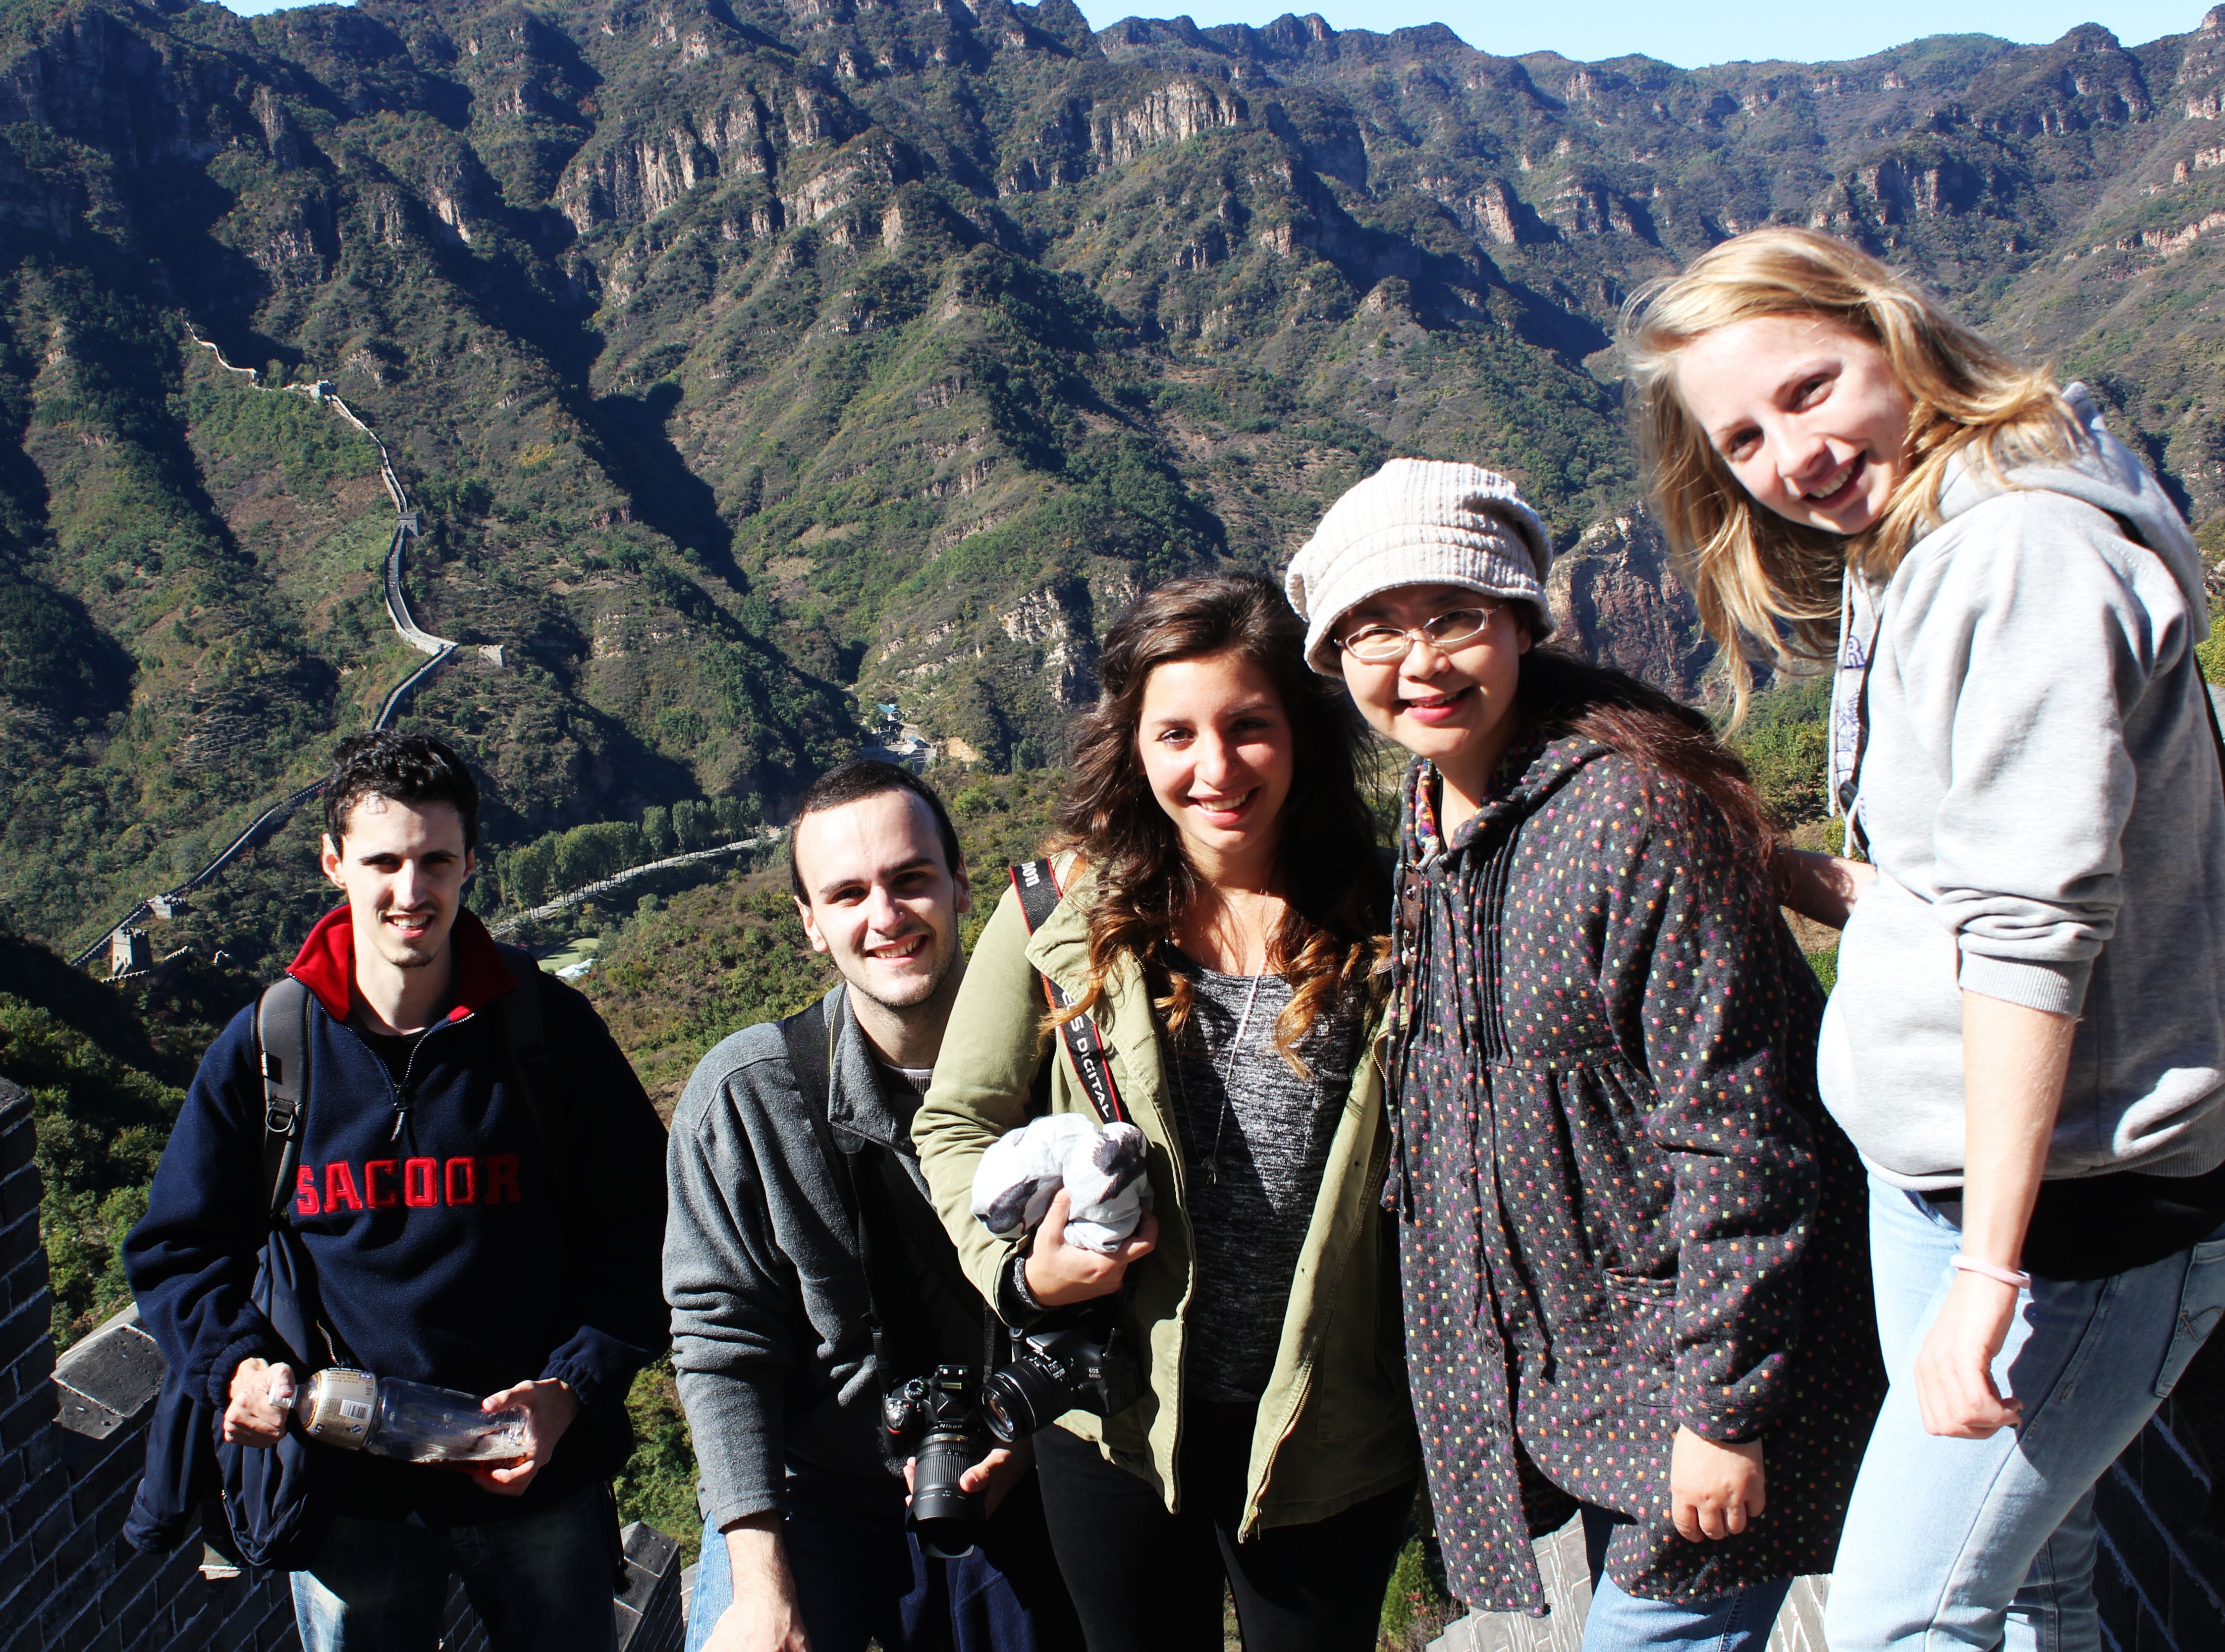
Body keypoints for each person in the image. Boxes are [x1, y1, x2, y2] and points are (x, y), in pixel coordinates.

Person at [1626, 225, 2225, 1652]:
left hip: (2071, 1212)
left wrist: (1990, 1277)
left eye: (1813, 388)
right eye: (1745, 438)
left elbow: (2032, 935)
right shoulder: (1920, 536)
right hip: (1947, 1184)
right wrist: (1776, 870)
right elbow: (1954, 889)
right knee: (2037, 1589)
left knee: (1905, 1616)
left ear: (1893, 335)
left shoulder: (2018, 552)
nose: (1796, 455)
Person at [1283, 457, 1880, 1649]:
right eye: (1375, 630)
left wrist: (1725, 1414)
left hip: (1703, 1375)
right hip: (1595, 1376)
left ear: (1521, 621)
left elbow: (1741, 1138)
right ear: (1336, 657)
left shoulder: (1633, 815)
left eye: (1455, 616)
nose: (1420, 662)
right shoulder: (1437, 809)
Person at [914, 574, 1419, 1652]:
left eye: (1249, 727)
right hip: (1119, 1427)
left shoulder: (1393, 921)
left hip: (1329, 1426)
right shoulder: (1057, 914)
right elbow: (954, 1124)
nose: (1215, 768)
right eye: (1177, 734)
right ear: (1133, 746)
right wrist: (1026, 1275)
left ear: (1302, 732)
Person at [125, 730, 669, 1652]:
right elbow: (178, 1248)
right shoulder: (271, 1047)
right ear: (334, 863)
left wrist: (571, 1390)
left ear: (470, 865)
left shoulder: (546, 1031)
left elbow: (645, 1230)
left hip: (532, 1474)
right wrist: (238, 1368)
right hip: (348, 1491)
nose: (411, 892)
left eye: (436, 862)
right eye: (383, 862)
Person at [666, 760, 1081, 1652]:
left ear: (963, 885)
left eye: (910, 879)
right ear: (811, 924)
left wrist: (1036, 1434)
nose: (885, 917)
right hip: (823, 1487)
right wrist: (760, 1587)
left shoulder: (1069, 1064)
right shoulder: (747, 1098)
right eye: (848, 894)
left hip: (1037, 1454)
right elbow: (722, 1343)